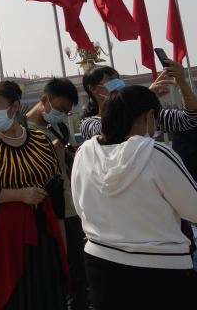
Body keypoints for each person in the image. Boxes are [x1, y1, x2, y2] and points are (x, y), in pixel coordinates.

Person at [71, 84, 197, 306]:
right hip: (160, 269)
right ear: (149, 116)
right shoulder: (155, 153)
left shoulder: (84, 153)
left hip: (100, 261)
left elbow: (81, 207)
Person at [0, 80, 68, 310]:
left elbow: (56, 191)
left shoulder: (41, 141)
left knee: (47, 293)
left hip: (43, 231)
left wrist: (60, 237)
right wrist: (20, 195)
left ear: (14, 107)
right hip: (6, 235)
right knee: (15, 296)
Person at [24, 78, 88, 310]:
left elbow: (69, 169)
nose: (62, 115)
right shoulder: (20, 129)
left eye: (66, 112)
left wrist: (75, 157)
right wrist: (45, 151)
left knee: (76, 266)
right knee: (48, 266)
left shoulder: (60, 128)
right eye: (59, 109)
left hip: (68, 207)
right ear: (44, 100)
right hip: (38, 209)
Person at [79, 62, 197, 141]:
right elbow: (109, 130)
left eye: (118, 78)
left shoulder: (146, 116)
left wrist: (182, 82)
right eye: (111, 79)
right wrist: (140, 100)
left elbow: (189, 119)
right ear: (93, 89)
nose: (118, 83)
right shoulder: (88, 124)